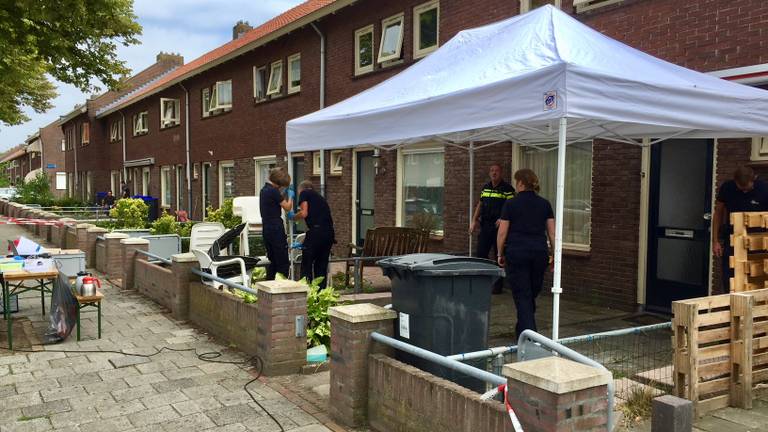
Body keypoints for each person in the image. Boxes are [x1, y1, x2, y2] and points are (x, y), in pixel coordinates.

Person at [496, 169, 555, 338]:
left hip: (517, 252)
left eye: (516, 182)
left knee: (523, 295)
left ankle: (529, 336)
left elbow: (502, 233)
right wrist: (555, 255)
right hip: (539, 253)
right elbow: (552, 233)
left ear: (521, 183)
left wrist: (500, 254)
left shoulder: (511, 204)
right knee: (531, 292)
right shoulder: (545, 204)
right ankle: (522, 328)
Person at [713, 166, 768, 292]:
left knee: (756, 277)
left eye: (747, 188)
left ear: (753, 179)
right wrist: (715, 241)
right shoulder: (727, 188)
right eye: (740, 188)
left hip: (757, 243)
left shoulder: (764, 189)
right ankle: (731, 307)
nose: (744, 191)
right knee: (730, 278)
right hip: (732, 241)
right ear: (735, 182)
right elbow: (718, 213)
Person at [469, 163, 515, 294]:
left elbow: (512, 207)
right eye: (492, 171)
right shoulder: (486, 188)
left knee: (498, 256)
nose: (494, 173)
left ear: (501, 173)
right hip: (486, 226)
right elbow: (480, 204)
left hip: (500, 227)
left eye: (496, 171)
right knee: (480, 254)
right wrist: (473, 220)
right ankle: (482, 282)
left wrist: (503, 218)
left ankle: (497, 286)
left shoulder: (508, 189)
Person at [293, 181, 335, 289]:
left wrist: (293, 217)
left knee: (307, 263)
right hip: (329, 234)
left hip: (316, 232)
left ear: (301, 189)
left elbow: (303, 213)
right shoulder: (320, 198)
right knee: (321, 265)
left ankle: (306, 292)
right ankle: (320, 294)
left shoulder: (304, 193)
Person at [260, 168, 293, 280]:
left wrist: (282, 194)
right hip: (276, 228)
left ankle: (268, 286)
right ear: (278, 184)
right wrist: (291, 196)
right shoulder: (273, 191)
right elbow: (287, 207)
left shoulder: (264, 190)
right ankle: (281, 287)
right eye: (282, 186)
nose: (282, 188)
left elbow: (276, 199)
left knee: (273, 261)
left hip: (266, 228)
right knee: (283, 263)